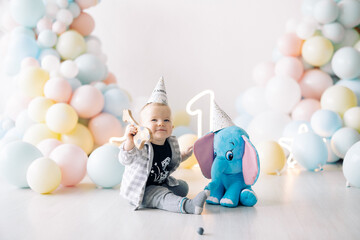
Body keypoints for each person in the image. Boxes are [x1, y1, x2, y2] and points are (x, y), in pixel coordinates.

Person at [118, 77, 209, 214]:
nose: (161, 123)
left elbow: (170, 161)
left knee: (182, 187)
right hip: (142, 189)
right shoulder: (141, 144)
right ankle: (189, 206)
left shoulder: (169, 143)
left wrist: (184, 154)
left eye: (166, 120)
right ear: (142, 126)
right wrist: (129, 142)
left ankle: (168, 196)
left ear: (171, 127)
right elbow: (126, 159)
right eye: (154, 120)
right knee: (161, 196)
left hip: (160, 182)